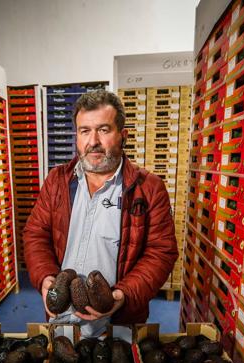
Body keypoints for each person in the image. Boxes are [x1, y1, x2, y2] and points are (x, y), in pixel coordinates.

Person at [23, 89, 178, 337]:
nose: (93, 141)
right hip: (62, 317)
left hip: (119, 322)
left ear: (122, 135)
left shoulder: (149, 188)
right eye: (85, 131)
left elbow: (161, 253)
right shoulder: (57, 181)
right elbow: (35, 234)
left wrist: (122, 294)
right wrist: (45, 278)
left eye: (103, 130)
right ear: (77, 136)